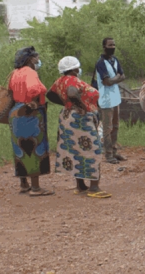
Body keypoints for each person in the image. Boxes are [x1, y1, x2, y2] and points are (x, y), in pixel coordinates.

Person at [48, 56, 111, 198]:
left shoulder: (60, 81)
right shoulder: (72, 81)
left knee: (76, 150)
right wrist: (83, 106)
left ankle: (80, 185)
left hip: (68, 117)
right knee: (92, 150)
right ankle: (94, 187)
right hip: (81, 119)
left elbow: (50, 95)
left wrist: (67, 104)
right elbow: (72, 92)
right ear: (75, 68)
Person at [9, 46, 53, 196]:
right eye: (36, 58)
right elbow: (34, 89)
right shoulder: (30, 73)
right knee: (34, 147)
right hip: (30, 113)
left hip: (16, 113)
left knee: (20, 148)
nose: (38, 60)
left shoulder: (15, 73)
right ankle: (35, 187)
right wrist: (34, 103)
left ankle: (24, 183)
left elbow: (10, 91)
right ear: (29, 59)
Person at [95, 37, 127, 164]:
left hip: (115, 98)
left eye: (114, 44)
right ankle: (108, 154)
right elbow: (106, 82)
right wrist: (117, 78)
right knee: (107, 128)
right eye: (110, 45)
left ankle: (114, 151)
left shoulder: (115, 60)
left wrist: (114, 79)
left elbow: (123, 76)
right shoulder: (100, 63)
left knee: (115, 126)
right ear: (104, 47)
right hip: (105, 99)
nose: (112, 47)